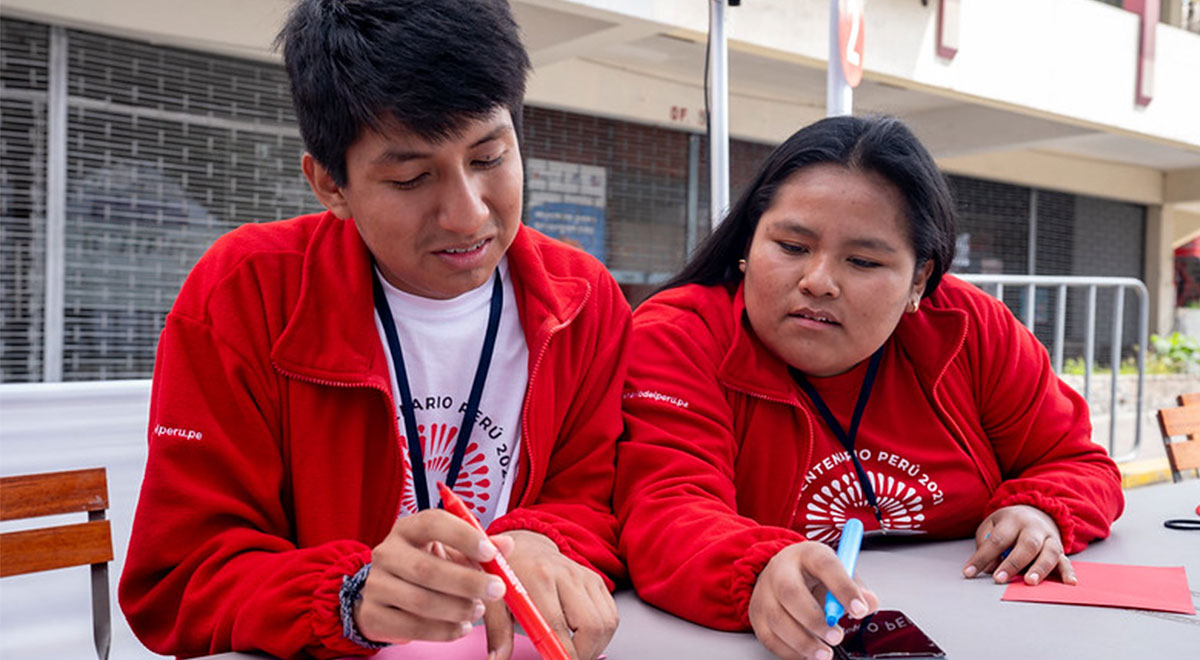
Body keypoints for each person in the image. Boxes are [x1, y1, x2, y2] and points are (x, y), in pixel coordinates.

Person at [119, 1, 627, 658]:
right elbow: (180, 577)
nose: (466, 215)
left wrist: (544, 538)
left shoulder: (583, 301)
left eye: (490, 157)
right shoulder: (247, 292)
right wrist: (348, 598)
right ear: (330, 183)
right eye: (412, 177)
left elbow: (598, 499)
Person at [614, 115, 1124, 660]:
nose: (818, 281)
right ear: (746, 245)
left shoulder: (971, 330)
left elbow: (1077, 461)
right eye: (790, 246)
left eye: (862, 261)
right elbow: (666, 508)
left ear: (920, 279)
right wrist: (759, 568)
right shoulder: (679, 337)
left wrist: (1039, 512)